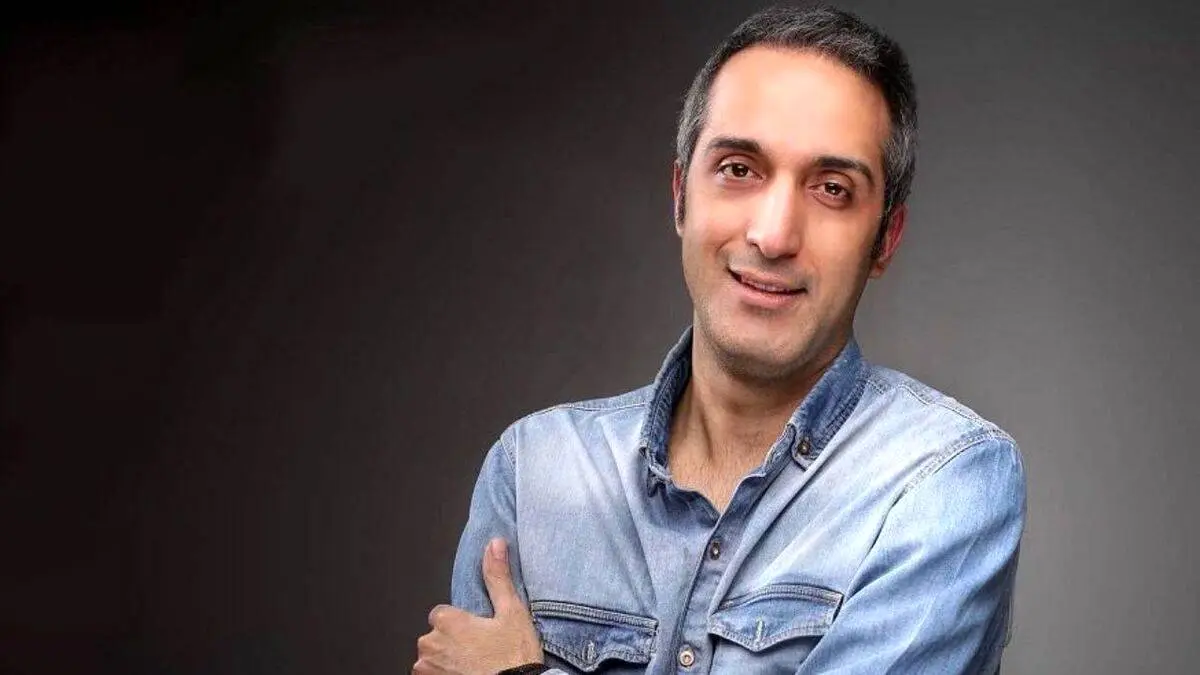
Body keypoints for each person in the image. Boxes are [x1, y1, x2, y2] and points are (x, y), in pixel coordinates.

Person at [414, 5, 1026, 674]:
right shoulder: (533, 470)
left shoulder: (942, 482)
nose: (773, 234)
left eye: (831, 188)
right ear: (681, 195)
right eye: (738, 169)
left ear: (885, 239)